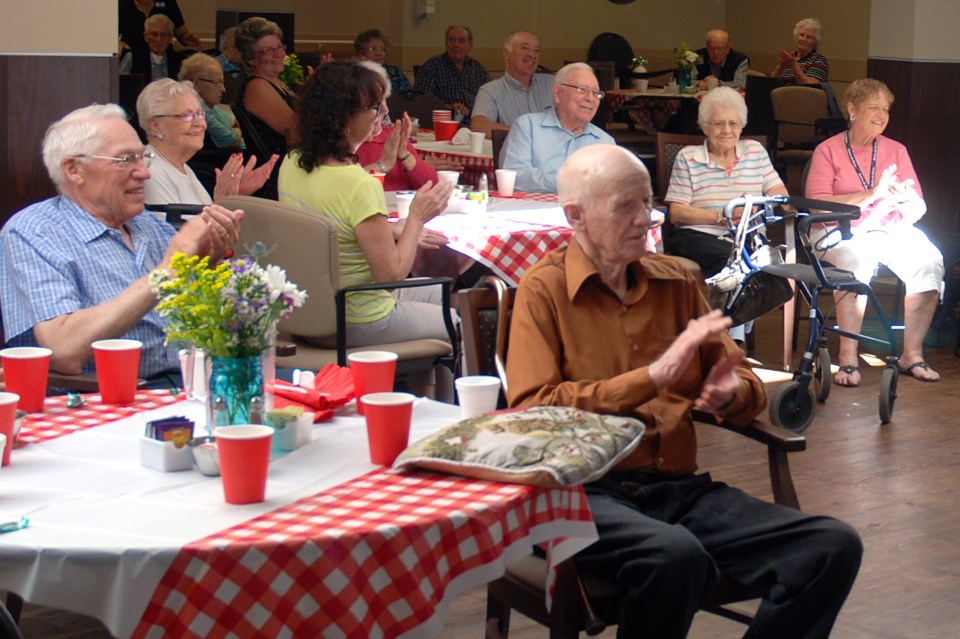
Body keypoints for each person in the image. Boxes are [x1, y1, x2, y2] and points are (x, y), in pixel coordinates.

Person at [506, 143, 862, 639]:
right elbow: (531, 411)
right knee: (676, 557)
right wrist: (650, 379)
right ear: (576, 216)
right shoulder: (542, 290)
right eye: (624, 206)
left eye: (646, 202)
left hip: (677, 489)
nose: (644, 218)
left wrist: (728, 394)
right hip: (582, 495)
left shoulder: (674, 281)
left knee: (831, 545)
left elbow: (744, 383)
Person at [0, 104, 242, 381]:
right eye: (126, 160)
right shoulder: (35, 232)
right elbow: (64, 348)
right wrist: (166, 272)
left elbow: (210, 327)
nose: (144, 173)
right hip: (105, 399)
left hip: (193, 380)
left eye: (142, 158)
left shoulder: (148, 226)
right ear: (74, 169)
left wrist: (208, 263)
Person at [277, 61, 455, 348]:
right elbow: (392, 275)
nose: (383, 113)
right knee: (462, 319)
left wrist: (391, 230)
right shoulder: (360, 184)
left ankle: (416, 380)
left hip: (307, 312)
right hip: (358, 318)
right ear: (343, 118)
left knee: (439, 292)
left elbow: (333, 226)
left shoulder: (292, 163)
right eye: (374, 106)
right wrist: (416, 219)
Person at [806, 78, 943, 386]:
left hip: (888, 227)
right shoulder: (827, 151)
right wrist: (870, 195)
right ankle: (848, 357)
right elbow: (817, 205)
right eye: (874, 108)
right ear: (852, 110)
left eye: (886, 109)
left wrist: (905, 200)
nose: (882, 115)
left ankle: (912, 353)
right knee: (858, 261)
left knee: (929, 260)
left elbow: (919, 207)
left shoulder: (897, 150)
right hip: (838, 231)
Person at [664, 86, 787, 277]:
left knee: (774, 266)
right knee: (734, 260)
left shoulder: (755, 151)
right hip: (699, 236)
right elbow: (676, 213)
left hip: (748, 236)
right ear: (705, 127)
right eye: (718, 124)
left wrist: (759, 206)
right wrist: (723, 216)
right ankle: (736, 303)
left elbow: (778, 192)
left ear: (742, 125)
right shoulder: (688, 157)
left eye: (733, 123)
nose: (727, 130)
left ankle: (732, 305)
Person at [138, 78, 277, 206]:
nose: (200, 123)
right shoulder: (150, 172)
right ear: (155, 126)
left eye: (200, 114)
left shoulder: (180, 166)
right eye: (187, 116)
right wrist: (222, 202)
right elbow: (177, 232)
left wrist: (235, 194)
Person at [502, 62, 615, 194]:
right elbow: (515, 176)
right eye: (582, 90)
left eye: (596, 93)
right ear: (557, 93)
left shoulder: (605, 143)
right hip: (533, 210)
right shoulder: (528, 127)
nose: (591, 98)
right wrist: (566, 183)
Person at [235, 16, 298, 199]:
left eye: (279, 47)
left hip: (291, 168)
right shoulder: (257, 87)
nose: (278, 54)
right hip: (277, 178)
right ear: (251, 59)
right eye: (268, 50)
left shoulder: (277, 82)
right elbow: (296, 129)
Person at [355, 62, 439, 192]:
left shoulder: (393, 137)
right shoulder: (339, 144)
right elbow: (339, 187)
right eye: (375, 105)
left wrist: (406, 156)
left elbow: (432, 185)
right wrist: (382, 165)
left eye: (384, 100)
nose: (385, 110)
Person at [470, 30, 554, 139]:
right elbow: (480, 127)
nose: (532, 55)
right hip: (517, 154)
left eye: (536, 50)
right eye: (525, 48)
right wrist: (526, 134)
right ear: (507, 54)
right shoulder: (491, 91)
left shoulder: (553, 83)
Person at [413, 25, 492, 122]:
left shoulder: (478, 68)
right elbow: (419, 102)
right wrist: (449, 107)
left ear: (470, 45)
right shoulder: (432, 67)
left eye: (461, 41)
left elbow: (491, 97)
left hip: (475, 124)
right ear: (446, 43)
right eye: (452, 40)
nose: (456, 45)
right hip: (443, 124)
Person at [179, 53, 245, 150]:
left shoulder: (209, 105)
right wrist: (239, 131)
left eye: (222, 83)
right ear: (196, 82)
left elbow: (232, 123)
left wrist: (235, 128)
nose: (223, 89)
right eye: (217, 83)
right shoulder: (198, 108)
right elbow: (231, 139)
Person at [119, 14, 186, 81]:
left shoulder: (179, 61)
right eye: (154, 34)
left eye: (163, 35)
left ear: (170, 38)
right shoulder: (132, 57)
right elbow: (121, 85)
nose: (158, 39)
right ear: (145, 36)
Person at [118, 0, 201, 52]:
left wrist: (187, 38)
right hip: (133, 60)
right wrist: (118, 43)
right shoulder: (121, 3)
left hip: (164, 60)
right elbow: (108, 35)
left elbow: (181, 33)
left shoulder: (168, 2)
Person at [771, 17, 828, 84]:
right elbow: (771, 83)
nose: (804, 39)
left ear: (815, 41)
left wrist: (794, 65)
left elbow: (811, 86)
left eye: (809, 37)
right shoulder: (790, 56)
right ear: (796, 37)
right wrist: (781, 66)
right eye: (802, 35)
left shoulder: (819, 60)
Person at [354, 29, 411, 94]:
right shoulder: (355, 75)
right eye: (373, 49)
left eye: (382, 49)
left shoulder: (394, 72)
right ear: (361, 52)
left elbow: (410, 96)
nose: (379, 53)